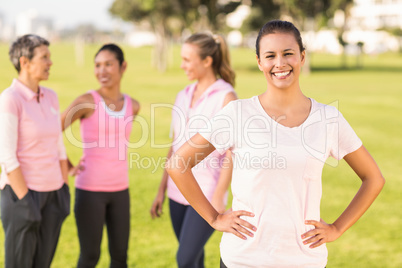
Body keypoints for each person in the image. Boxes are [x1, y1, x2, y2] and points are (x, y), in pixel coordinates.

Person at [166, 20, 385, 268]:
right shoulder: (238, 113)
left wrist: (337, 228)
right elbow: (179, 163)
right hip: (243, 259)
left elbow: (373, 178)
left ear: (302, 57)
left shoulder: (328, 119)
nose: (280, 63)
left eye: (288, 53)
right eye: (270, 56)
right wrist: (215, 218)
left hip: (304, 260)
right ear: (260, 62)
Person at [150, 32, 237, 267]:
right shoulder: (183, 95)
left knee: (185, 259)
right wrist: (161, 189)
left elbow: (231, 153)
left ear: (207, 61)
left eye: (187, 60)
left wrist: (220, 194)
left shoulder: (226, 97)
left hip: (207, 193)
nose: (182, 65)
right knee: (194, 259)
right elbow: (175, 145)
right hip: (176, 191)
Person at [61, 44, 140, 268]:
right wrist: (67, 165)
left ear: (123, 66)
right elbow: (52, 131)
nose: (102, 71)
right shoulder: (87, 101)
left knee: (120, 257)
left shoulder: (133, 106)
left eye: (108, 64)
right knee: (90, 257)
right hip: (90, 192)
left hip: (120, 191)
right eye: (97, 65)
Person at [0, 34, 70, 268]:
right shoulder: (10, 99)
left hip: (53, 195)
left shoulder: (51, 96)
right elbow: (7, 156)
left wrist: (64, 189)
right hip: (23, 195)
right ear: (25, 62)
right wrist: (25, 201)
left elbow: (58, 145)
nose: (50, 62)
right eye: (44, 57)